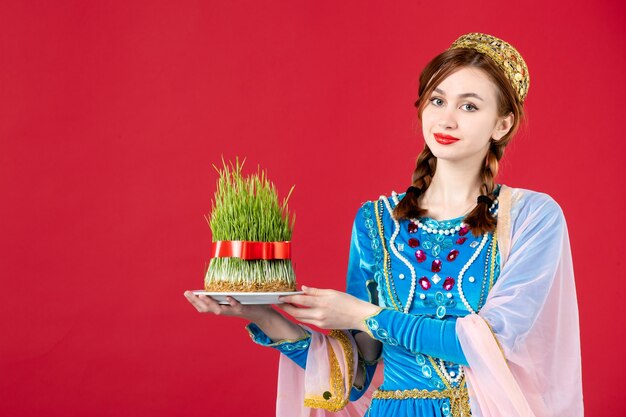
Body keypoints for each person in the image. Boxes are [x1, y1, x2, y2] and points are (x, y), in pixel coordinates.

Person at [184, 32, 583, 417]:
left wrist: (362, 314)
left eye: (469, 106)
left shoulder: (532, 217)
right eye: (438, 100)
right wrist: (262, 315)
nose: (446, 119)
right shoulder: (376, 222)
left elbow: (489, 341)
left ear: (503, 124)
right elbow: (357, 374)